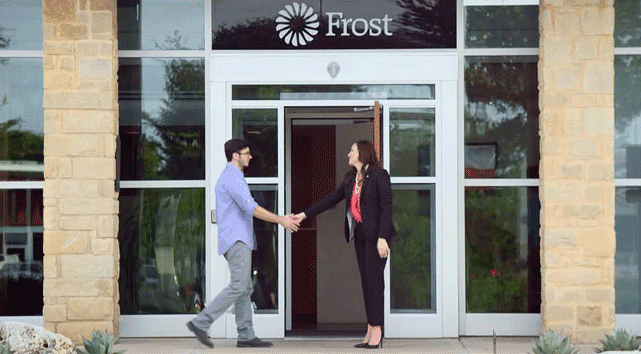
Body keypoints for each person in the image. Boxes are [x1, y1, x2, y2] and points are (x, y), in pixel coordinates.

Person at [186, 139, 300, 348]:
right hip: (237, 240)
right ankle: (201, 322)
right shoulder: (232, 178)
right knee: (239, 286)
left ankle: (246, 334)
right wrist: (281, 219)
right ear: (236, 156)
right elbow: (252, 208)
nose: (250, 156)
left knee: (245, 287)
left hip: (239, 239)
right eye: (246, 153)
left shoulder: (235, 177)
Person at [295, 140, 396, 349]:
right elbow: (331, 199)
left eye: (352, 150)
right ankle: (371, 327)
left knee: (375, 282)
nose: (348, 154)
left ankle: (377, 329)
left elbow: (387, 207)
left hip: (377, 238)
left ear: (362, 153)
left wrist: (382, 238)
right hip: (360, 236)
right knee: (366, 283)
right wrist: (304, 215)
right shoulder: (352, 178)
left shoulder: (379, 175)